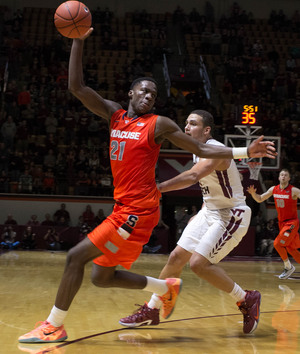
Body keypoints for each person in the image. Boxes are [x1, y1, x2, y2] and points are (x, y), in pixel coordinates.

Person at [18, 28, 276, 344]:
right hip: (142, 208)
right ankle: (162, 290)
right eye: (143, 91)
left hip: (139, 212)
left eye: (154, 93)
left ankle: (53, 325)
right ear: (130, 94)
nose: (149, 96)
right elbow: (77, 86)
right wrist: (78, 40)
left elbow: (203, 152)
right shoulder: (114, 115)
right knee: (102, 276)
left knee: (75, 257)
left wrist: (245, 151)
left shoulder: (158, 124)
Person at [119, 110, 261, 335]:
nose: (186, 128)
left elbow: (194, 177)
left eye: (192, 124)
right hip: (211, 211)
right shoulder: (197, 151)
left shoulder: (214, 150)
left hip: (232, 214)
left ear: (206, 130)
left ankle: (246, 298)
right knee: (176, 257)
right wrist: (203, 209)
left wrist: (158, 189)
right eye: (185, 123)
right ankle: (152, 309)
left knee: (198, 264)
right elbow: (210, 186)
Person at [247, 168, 300, 279]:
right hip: (282, 223)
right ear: (279, 177)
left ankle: (288, 267)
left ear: (289, 178)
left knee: (277, 244)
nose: (283, 176)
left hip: (292, 223)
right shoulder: (273, 189)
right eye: (282, 175)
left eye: (286, 175)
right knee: (291, 249)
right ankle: (289, 266)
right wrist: (253, 193)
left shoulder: (294, 190)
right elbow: (260, 199)